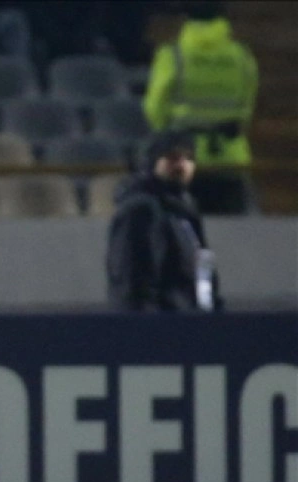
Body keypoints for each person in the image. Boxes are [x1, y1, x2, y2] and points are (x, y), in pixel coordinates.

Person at [143, 1, 258, 215]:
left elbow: (154, 108)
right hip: (230, 158)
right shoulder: (242, 56)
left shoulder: (173, 55)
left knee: (181, 227)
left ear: (186, 19)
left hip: (181, 156)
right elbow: (246, 108)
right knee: (231, 229)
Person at [106, 130, 222, 313]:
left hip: (191, 322)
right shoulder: (141, 210)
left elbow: (201, 276)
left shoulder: (185, 212)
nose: (182, 165)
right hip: (163, 325)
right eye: (172, 157)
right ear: (152, 161)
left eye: (189, 158)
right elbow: (133, 282)